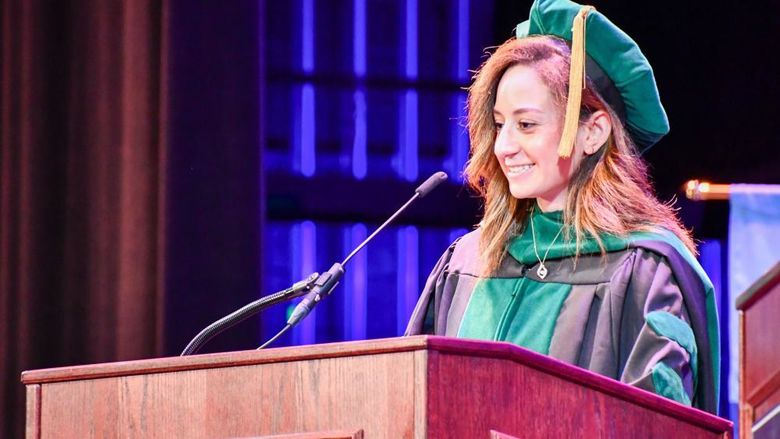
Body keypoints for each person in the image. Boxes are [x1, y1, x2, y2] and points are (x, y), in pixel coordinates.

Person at [405, 0, 720, 414]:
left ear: (593, 133)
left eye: (527, 124)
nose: (504, 147)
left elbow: (657, 423)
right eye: (499, 124)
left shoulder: (641, 270)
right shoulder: (467, 262)